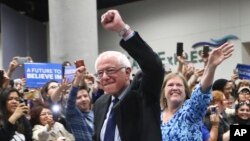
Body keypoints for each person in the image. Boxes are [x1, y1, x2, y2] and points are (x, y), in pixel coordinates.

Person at [93, 9, 165, 141]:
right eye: (100, 73)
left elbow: (153, 66)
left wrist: (122, 29)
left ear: (127, 72)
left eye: (110, 71)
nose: (104, 77)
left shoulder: (143, 94)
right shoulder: (100, 104)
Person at [160, 42, 234, 140]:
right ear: (163, 92)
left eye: (179, 85)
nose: (175, 88)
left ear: (186, 92)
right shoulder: (156, 116)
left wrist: (211, 67)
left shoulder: (191, 111)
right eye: (170, 85)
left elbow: (202, 91)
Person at [66, 67, 94, 141]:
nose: (83, 99)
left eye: (85, 96)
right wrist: (78, 78)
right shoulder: (73, 114)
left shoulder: (95, 114)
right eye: (79, 98)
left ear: (89, 98)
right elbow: (71, 99)